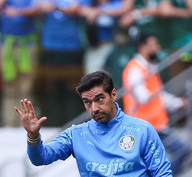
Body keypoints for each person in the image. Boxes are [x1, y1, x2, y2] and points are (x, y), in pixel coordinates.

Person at [15, 71, 173, 176]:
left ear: (113, 94)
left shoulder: (142, 130)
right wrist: (33, 135)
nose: (94, 108)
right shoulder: (76, 134)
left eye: (99, 99)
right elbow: (40, 158)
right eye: (87, 102)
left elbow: (163, 174)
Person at [122, 34, 191, 174]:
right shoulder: (135, 69)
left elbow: (158, 96)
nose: (158, 48)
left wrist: (178, 103)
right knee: (181, 151)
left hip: (155, 126)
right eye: (154, 44)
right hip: (144, 127)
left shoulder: (148, 68)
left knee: (179, 152)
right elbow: (143, 97)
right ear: (143, 47)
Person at [0, 0, 39, 126]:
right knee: (9, 86)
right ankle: (9, 124)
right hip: (7, 43)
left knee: (25, 86)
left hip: (27, 44)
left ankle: (27, 124)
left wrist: (17, 11)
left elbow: (38, 8)